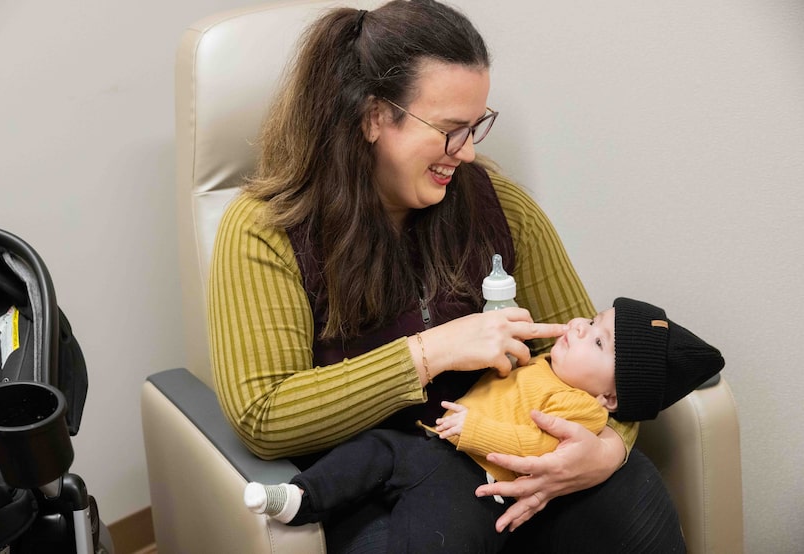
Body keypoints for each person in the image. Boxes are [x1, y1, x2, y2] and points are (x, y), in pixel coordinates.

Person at [208, 0, 687, 551]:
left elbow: (604, 364)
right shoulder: (266, 228)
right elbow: (263, 415)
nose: (468, 152)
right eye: (450, 129)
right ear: (370, 116)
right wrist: (429, 352)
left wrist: (607, 451)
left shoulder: (499, 206)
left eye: (476, 125)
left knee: (636, 502)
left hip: (513, 466)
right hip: (379, 487)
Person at [243, 298, 724, 552]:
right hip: (427, 443)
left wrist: (607, 450)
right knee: (372, 450)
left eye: (598, 341)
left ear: (610, 398)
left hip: (474, 480)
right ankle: (301, 497)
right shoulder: (547, 362)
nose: (577, 325)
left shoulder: (585, 409)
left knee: (435, 536)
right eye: (593, 319)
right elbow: (265, 414)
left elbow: (533, 444)